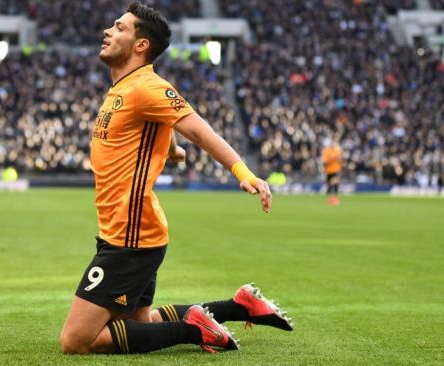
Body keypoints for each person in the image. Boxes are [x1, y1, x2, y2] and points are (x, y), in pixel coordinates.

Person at [59, 2, 293, 355]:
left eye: (120, 28)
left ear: (141, 45)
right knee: (140, 324)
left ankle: (195, 330)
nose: (108, 31)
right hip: (130, 230)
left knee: (77, 341)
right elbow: (154, 125)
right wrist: (169, 149)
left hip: (130, 238)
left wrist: (242, 173)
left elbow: (199, 131)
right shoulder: (126, 87)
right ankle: (237, 306)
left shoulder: (146, 87)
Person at [321, 137, 343, 206]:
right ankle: (330, 200)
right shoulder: (326, 151)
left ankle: (336, 199)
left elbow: (340, 160)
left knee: (335, 183)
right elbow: (324, 161)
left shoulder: (338, 150)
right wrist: (332, 158)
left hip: (336, 169)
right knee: (329, 185)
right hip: (328, 170)